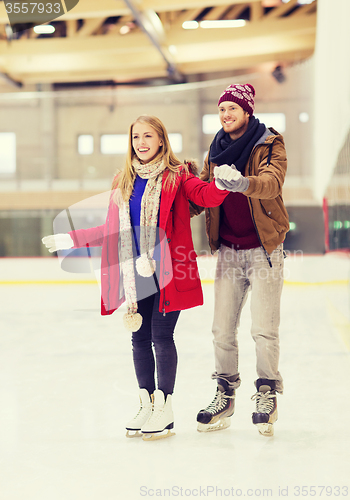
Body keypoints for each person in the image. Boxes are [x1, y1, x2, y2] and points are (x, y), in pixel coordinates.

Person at [42, 115, 233, 441]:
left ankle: (165, 407)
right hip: (134, 272)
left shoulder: (178, 176)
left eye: (148, 136)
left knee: (161, 336)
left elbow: (205, 196)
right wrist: (72, 238)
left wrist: (222, 183)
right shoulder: (124, 180)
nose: (141, 143)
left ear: (161, 140)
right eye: (135, 137)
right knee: (139, 338)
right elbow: (111, 229)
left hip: (169, 270)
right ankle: (146, 402)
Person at [192, 84, 289, 437]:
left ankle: (266, 392)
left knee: (263, 329)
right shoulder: (215, 149)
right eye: (222, 110)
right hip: (229, 250)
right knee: (221, 330)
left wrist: (243, 183)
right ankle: (225, 393)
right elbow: (203, 193)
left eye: (232, 108)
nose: (226, 115)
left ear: (247, 111)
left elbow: (271, 183)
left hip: (264, 249)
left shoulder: (269, 143)